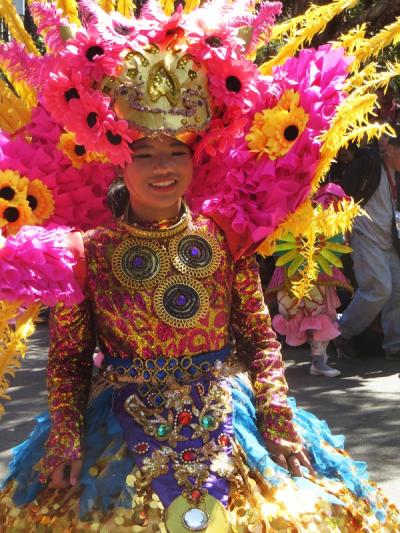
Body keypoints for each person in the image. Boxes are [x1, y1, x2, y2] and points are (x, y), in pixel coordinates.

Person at [0, 0, 399, 531]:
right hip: (118, 425)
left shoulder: (223, 237)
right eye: (145, 153)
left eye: (176, 152)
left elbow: (257, 336)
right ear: (119, 157)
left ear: (196, 157)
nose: (162, 167)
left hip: (226, 419)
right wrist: (66, 440)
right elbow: (70, 360)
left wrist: (278, 420)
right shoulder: (88, 252)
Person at [265, 184, 352, 378]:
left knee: (319, 314)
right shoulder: (284, 206)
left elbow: (334, 238)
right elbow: (278, 240)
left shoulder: (325, 202)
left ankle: (318, 361)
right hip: (292, 268)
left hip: (317, 269)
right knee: (292, 313)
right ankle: (271, 364)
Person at [335, 131, 400, 360]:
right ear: (390, 148)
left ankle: (395, 347)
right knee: (378, 289)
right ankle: (340, 332)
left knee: (397, 290)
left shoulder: (397, 172)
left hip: (390, 241)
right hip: (365, 235)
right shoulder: (369, 162)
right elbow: (344, 191)